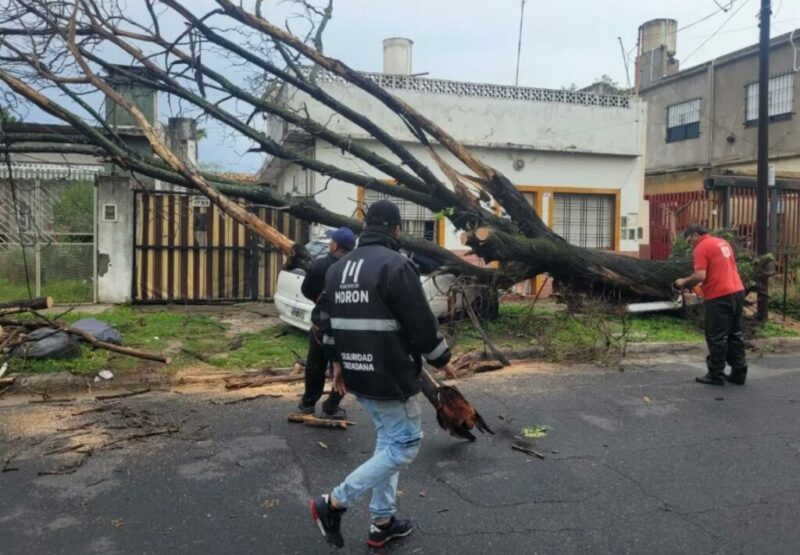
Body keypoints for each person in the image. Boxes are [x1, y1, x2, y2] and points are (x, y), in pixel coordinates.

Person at [308, 200, 457, 549]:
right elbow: (420, 322)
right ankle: (334, 503)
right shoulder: (396, 265)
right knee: (405, 444)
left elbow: (327, 322)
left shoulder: (338, 268)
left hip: (357, 372)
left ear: (365, 229)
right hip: (390, 373)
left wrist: (337, 364)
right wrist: (442, 358)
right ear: (396, 229)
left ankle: (383, 521)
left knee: (388, 440)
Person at [674, 224, 748, 386]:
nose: (690, 245)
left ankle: (715, 374)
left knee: (716, 336)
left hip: (719, 295)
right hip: (737, 291)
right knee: (734, 333)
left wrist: (683, 281)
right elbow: (723, 269)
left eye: (689, 241)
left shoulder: (701, 247)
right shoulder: (722, 242)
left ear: (695, 235)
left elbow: (700, 275)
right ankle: (739, 372)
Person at [297, 227, 356, 419]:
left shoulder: (320, 265)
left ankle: (308, 403)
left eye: (331, 242)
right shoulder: (355, 267)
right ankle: (331, 406)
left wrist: (319, 300)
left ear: (335, 245)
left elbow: (306, 290)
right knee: (345, 369)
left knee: (315, 365)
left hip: (320, 326)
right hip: (346, 329)